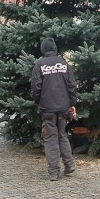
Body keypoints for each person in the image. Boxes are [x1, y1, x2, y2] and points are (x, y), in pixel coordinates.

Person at [30, 37, 78, 181]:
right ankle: (69, 165)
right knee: (62, 135)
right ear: (55, 49)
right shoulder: (64, 64)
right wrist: (72, 103)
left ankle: (54, 171)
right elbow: (72, 86)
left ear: (43, 49)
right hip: (63, 107)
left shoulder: (39, 65)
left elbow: (36, 87)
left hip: (48, 108)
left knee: (50, 138)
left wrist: (39, 101)